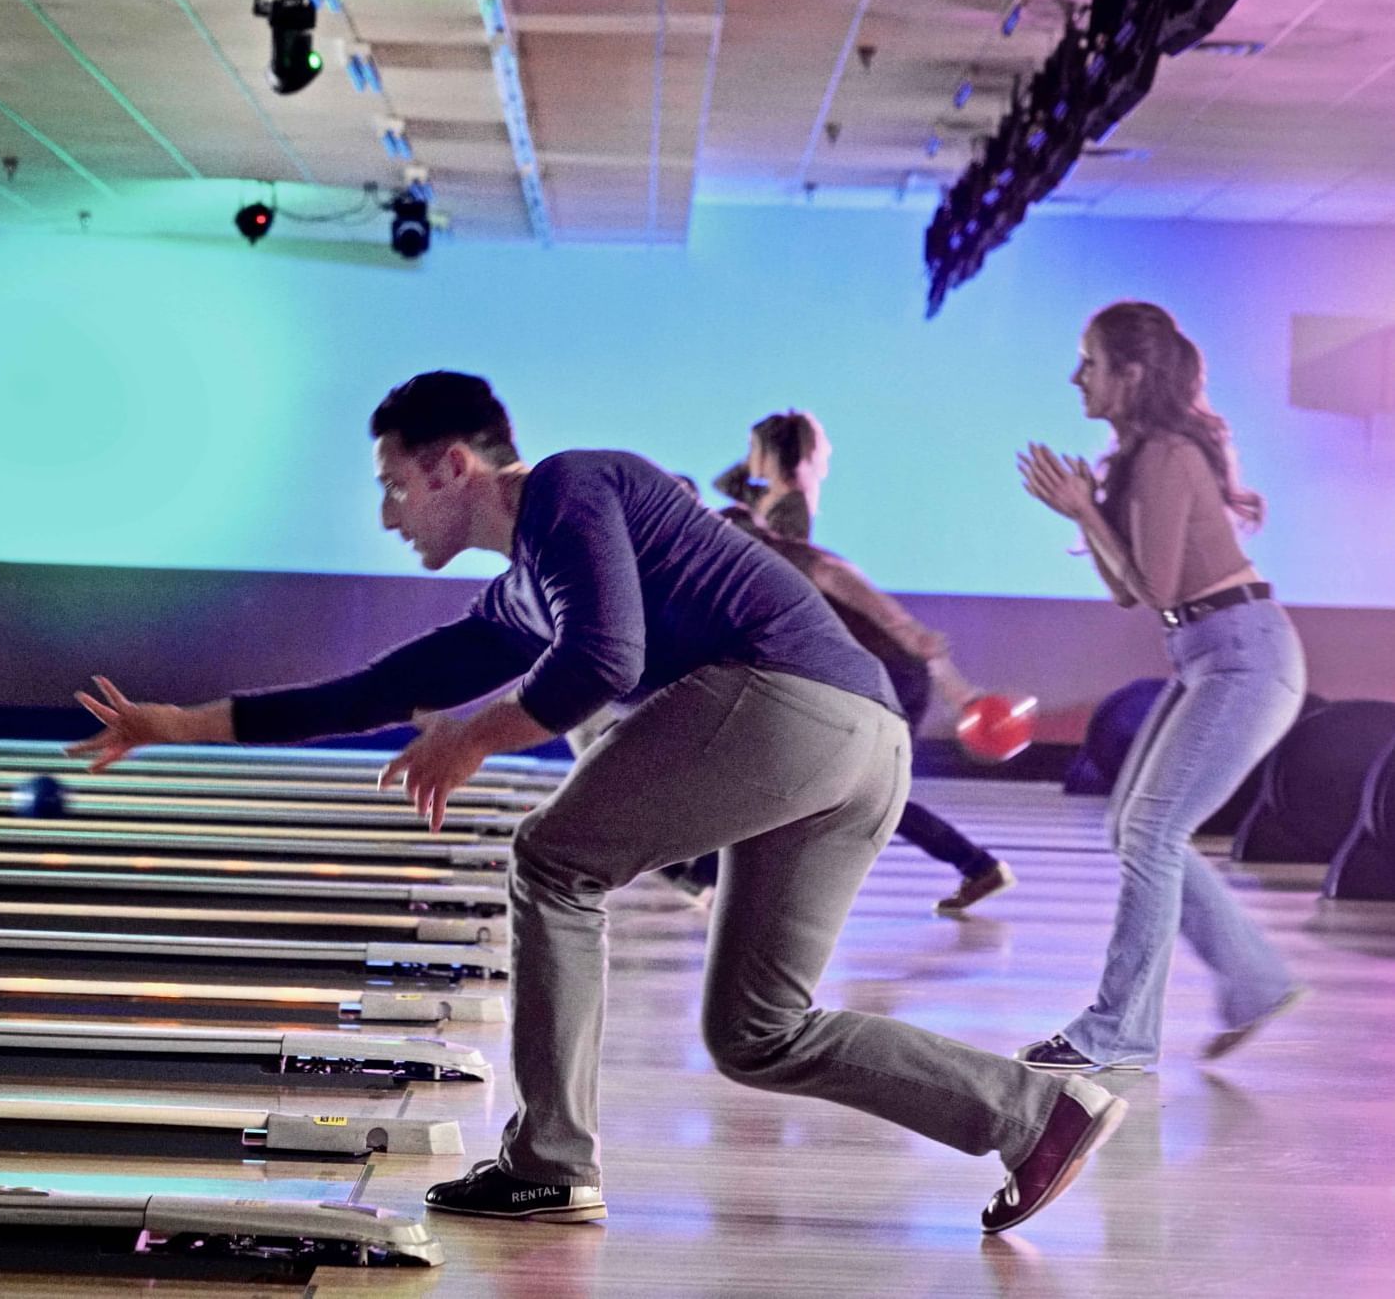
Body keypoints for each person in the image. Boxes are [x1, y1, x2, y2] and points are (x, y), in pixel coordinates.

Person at [69, 371, 1125, 1233]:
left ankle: (548, 1159)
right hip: (862, 743)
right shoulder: (518, 590)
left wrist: (473, 733)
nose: (387, 510)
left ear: (453, 465)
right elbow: (372, 690)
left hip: (793, 705)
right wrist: (178, 723)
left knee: (552, 861)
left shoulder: (573, 486)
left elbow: (604, 653)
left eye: (393, 483)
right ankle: (1033, 1112)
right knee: (758, 1028)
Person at [1016, 301, 1306, 1072]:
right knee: (1132, 826)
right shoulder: (1139, 456)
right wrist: (1084, 516)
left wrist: (1083, 510)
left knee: (1149, 831)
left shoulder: (1168, 454)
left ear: (1131, 373)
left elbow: (1156, 583)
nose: (1076, 376)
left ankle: (1117, 1032)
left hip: (1246, 654)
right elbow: (1127, 590)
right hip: (1206, 653)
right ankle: (1254, 981)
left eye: (1090, 361)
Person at [713, 410, 1018, 914]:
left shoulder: (769, 526)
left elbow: (829, 571)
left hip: (884, 671)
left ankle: (976, 865)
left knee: (860, 791)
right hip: (875, 670)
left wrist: (913, 636)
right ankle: (975, 866)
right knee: (851, 789)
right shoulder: (761, 517)